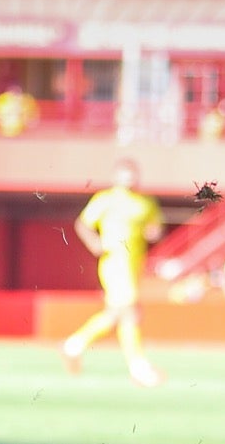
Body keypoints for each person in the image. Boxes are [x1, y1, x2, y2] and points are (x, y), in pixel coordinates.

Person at [62, 158, 166, 388]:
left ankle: (74, 345)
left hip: (134, 264)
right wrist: (95, 244)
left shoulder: (145, 203)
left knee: (116, 314)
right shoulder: (106, 199)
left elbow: (155, 228)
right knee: (129, 312)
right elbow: (83, 223)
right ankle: (138, 368)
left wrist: (152, 233)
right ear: (116, 177)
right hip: (115, 263)